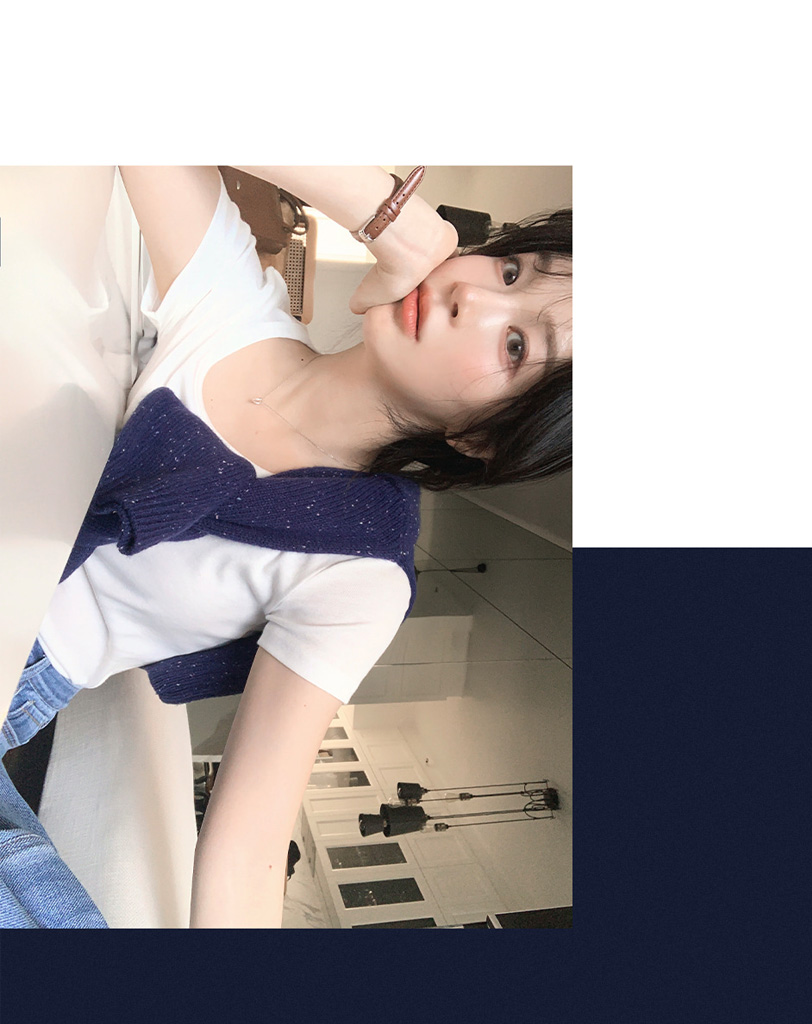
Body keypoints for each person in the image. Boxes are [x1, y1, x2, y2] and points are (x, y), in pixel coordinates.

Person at [0, 166, 572, 928]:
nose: (475, 297)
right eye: (511, 269)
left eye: (515, 344)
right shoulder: (237, 302)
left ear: (479, 439)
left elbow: (249, 846)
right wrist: (392, 218)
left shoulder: (362, 567)